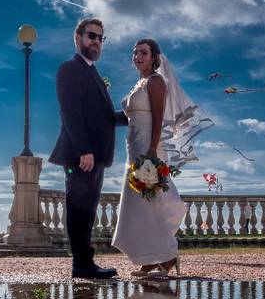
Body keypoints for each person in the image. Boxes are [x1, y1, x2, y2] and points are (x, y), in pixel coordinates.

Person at [112, 38, 208, 278]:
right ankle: (151, 257)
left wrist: (153, 150)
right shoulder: (139, 83)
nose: (138, 57)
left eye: (143, 53)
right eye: (134, 53)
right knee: (139, 204)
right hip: (133, 148)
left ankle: (167, 255)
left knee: (152, 200)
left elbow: (158, 118)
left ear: (154, 57)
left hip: (148, 147)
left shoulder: (156, 81)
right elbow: (129, 117)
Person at [49, 18, 128, 280]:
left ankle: (85, 263)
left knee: (89, 210)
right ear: (78, 38)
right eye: (91, 36)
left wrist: (136, 114)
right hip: (80, 155)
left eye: (100, 38)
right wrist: (84, 149)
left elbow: (103, 117)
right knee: (79, 208)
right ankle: (81, 264)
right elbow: (70, 112)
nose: (96, 41)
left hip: (96, 157)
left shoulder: (92, 72)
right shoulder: (69, 68)